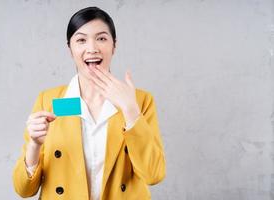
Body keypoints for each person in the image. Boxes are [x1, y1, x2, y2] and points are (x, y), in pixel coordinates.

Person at [13, 6, 166, 200]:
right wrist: (34, 145)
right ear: (70, 49)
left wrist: (130, 110)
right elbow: (23, 190)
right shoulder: (50, 101)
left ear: (114, 45)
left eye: (101, 38)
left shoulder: (140, 101)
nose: (92, 48)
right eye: (81, 40)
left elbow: (154, 175)